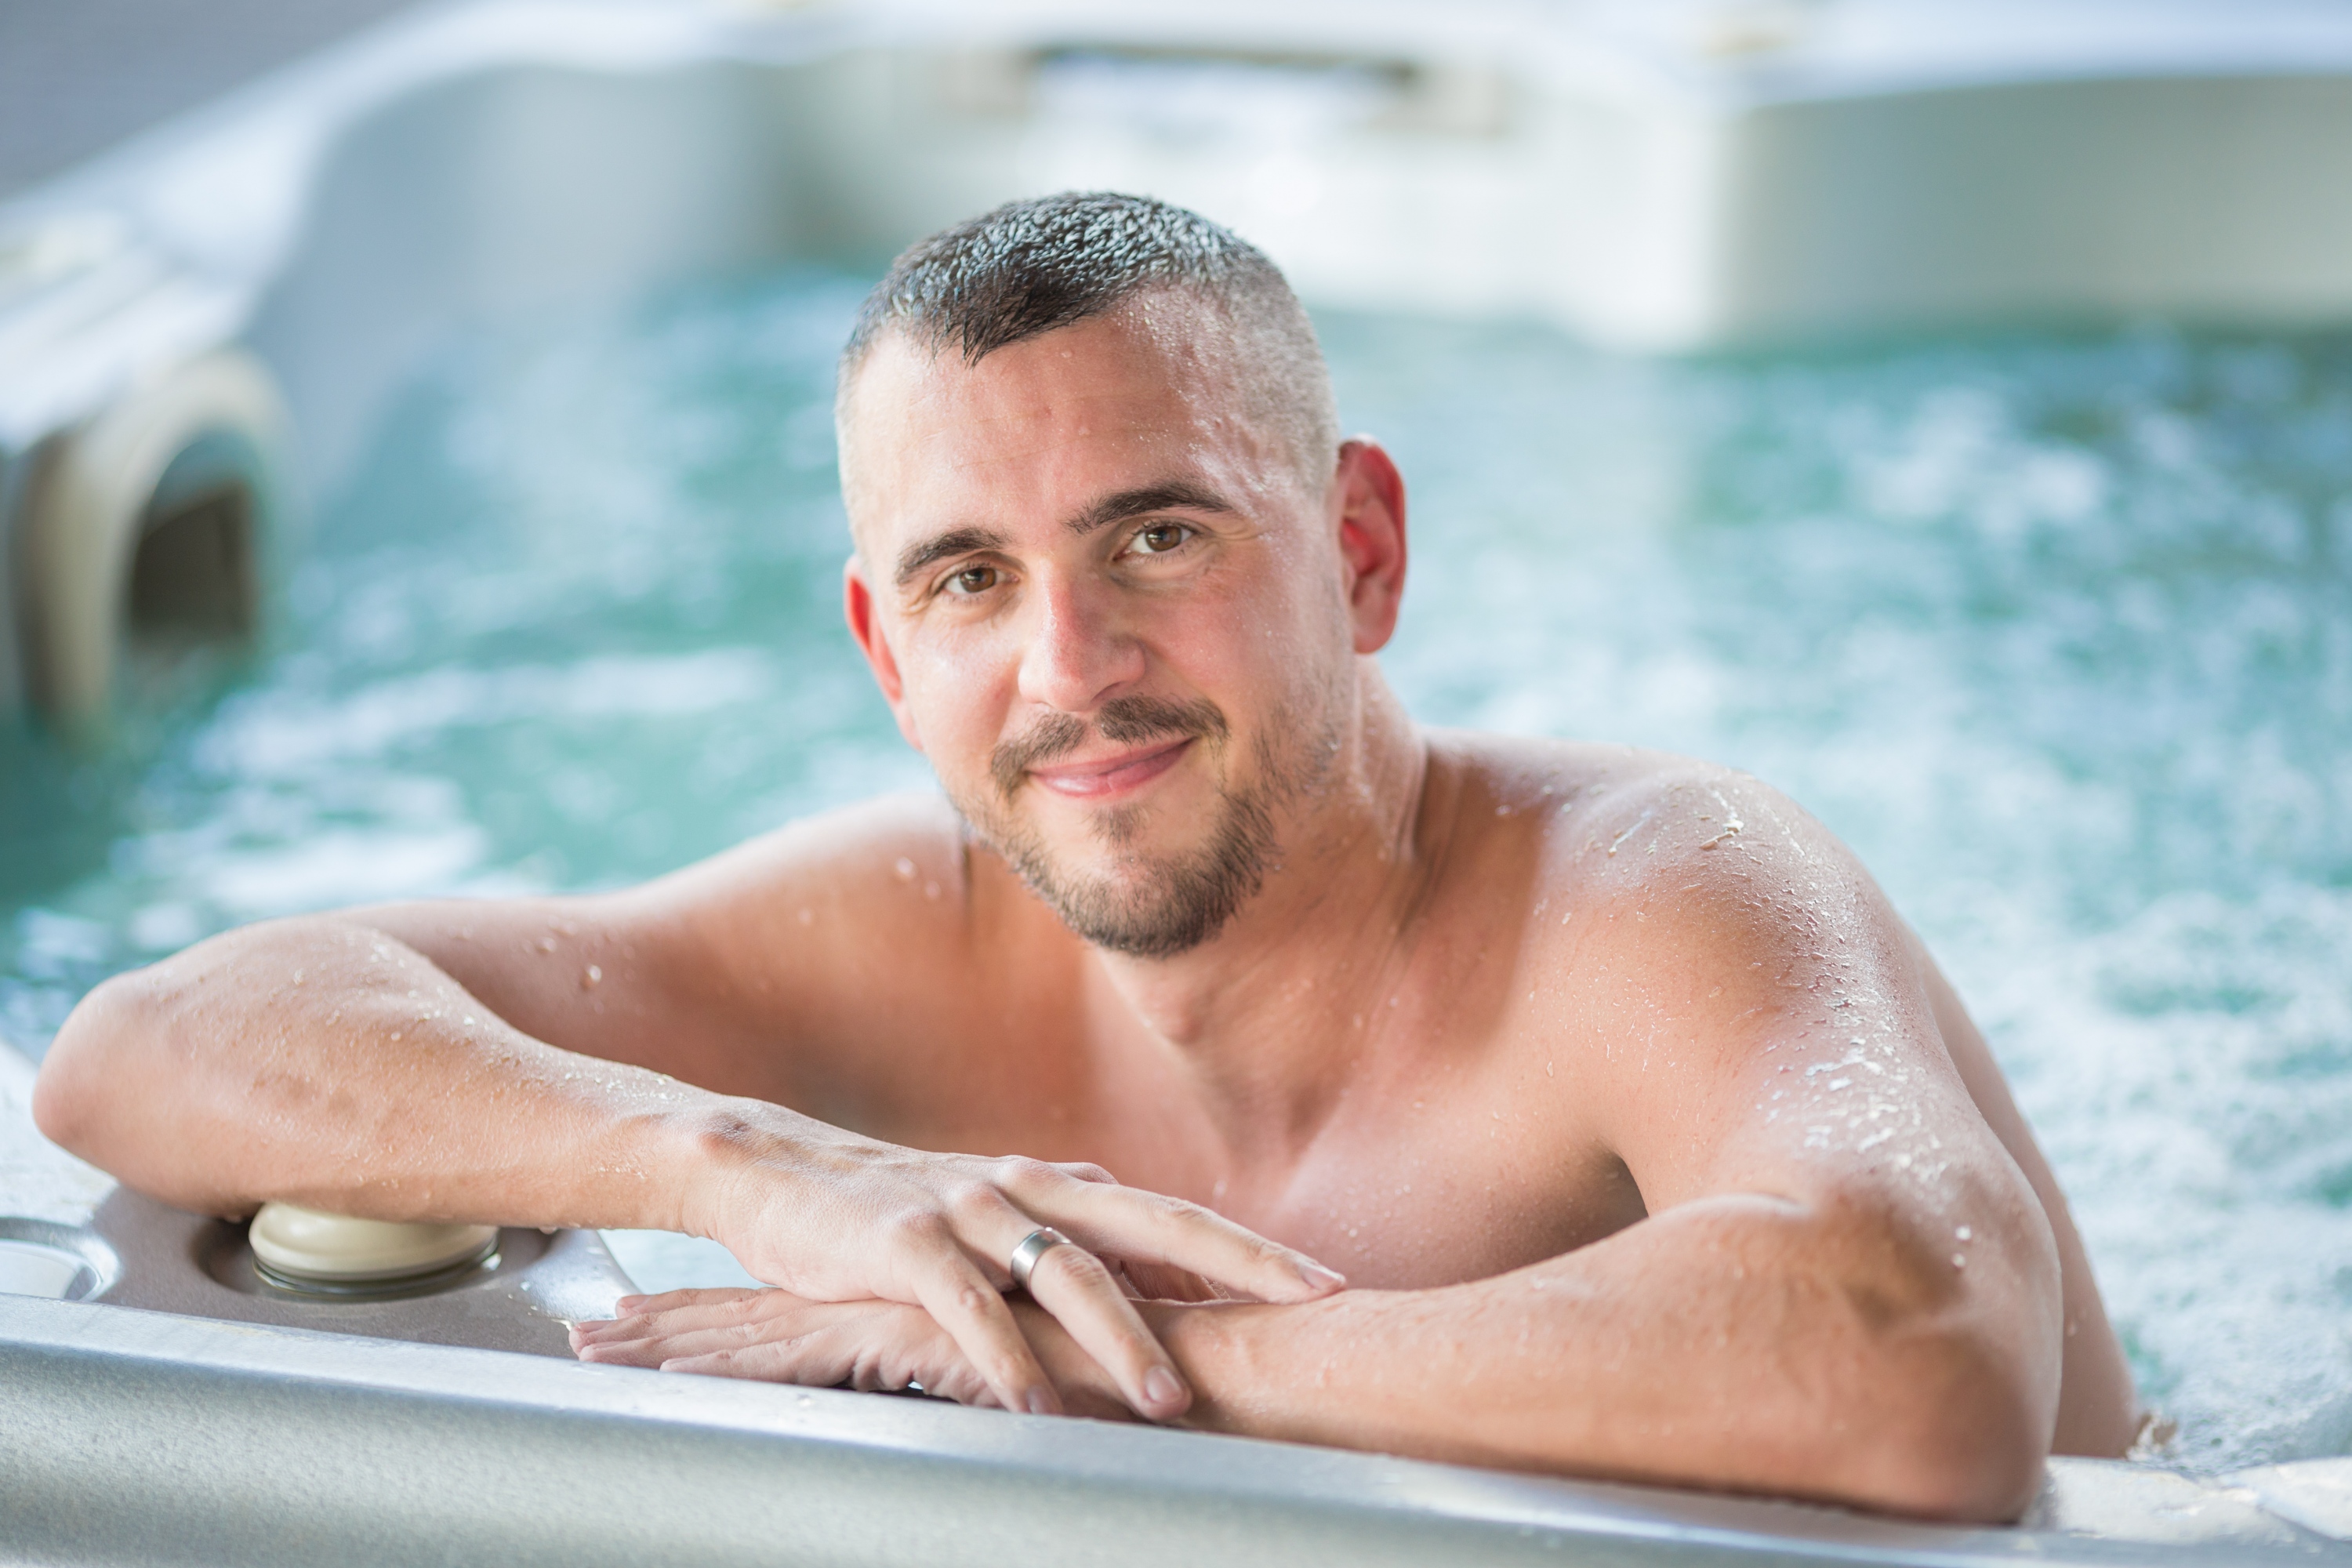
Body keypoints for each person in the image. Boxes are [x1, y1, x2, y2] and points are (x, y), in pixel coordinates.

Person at [33, 192, 2140, 1523]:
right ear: (882, 648)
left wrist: (1117, 1363)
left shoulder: (1652, 889)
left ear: (1365, 551)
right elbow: (162, 1045)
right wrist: (751, 1170)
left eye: (1160, 535)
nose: (1073, 670)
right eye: (966, 578)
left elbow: (1921, 1362)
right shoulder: (913, 935)